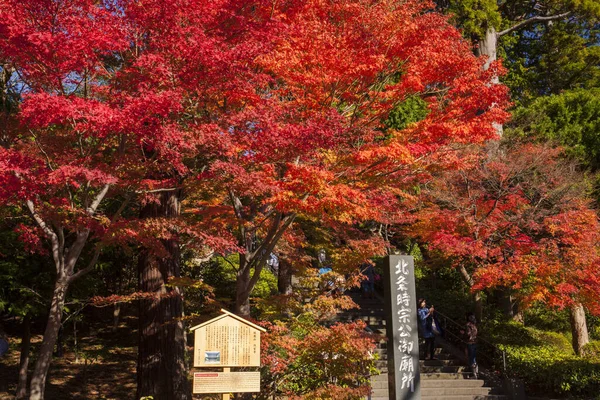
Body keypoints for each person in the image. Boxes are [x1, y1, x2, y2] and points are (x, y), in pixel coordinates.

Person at [461, 312, 478, 379]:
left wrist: (463, 333)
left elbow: (468, 334)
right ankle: (476, 373)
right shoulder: (474, 325)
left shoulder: (468, 325)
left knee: (471, 358)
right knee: (473, 357)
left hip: (469, 343)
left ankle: (474, 374)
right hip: (474, 342)